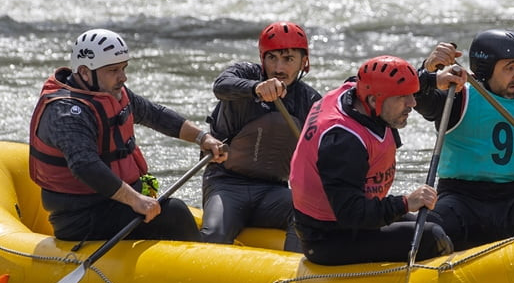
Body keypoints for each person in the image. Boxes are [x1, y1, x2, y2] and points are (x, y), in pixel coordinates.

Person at [29, 28, 227, 242]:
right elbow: (85, 165)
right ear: (85, 72)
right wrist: (136, 201)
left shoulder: (109, 92)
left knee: (172, 209)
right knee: (175, 212)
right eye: (114, 70)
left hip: (115, 203)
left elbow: (154, 115)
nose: (123, 77)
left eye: (123, 68)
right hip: (81, 218)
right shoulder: (67, 113)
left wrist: (202, 138)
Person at [413, 30, 514, 251]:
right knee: (434, 227)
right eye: (509, 67)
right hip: (460, 198)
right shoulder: (458, 95)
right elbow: (416, 97)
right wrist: (429, 68)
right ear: (485, 70)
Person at [289, 55, 453, 265]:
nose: (412, 103)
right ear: (375, 101)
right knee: (431, 237)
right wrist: (405, 203)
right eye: (403, 97)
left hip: (355, 221)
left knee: (437, 221)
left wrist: (432, 80)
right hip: (330, 237)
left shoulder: (358, 91)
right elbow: (351, 214)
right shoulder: (343, 143)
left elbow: (392, 82)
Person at [200, 21, 321, 249]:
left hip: (273, 192)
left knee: (307, 213)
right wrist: (256, 88)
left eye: (288, 59)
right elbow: (221, 86)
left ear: (304, 62)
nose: (278, 68)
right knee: (214, 234)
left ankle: (296, 276)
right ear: (262, 58)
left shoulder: (311, 101)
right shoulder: (244, 75)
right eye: (272, 58)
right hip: (226, 185)